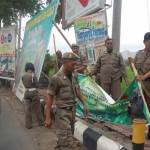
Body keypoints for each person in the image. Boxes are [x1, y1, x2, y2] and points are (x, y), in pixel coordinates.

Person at [45, 52, 88, 150]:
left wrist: (84, 104)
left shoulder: (73, 75)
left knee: (66, 139)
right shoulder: (56, 78)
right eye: (73, 64)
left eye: (75, 64)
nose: (75, 66)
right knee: (67, 143)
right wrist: (48, 117)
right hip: (62, 113)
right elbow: (50, 98)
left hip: (72, 111)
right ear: (65, 63)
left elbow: (78, 90)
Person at [134, 32, 150, 139]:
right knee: (140, 108)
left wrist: (143, 77)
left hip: (148, 86)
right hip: (140, 86)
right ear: (144, 42)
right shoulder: (139, 54)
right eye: (149, 41)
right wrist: (136, 75)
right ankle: (143, 129)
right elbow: (134, 66)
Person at [22, 62, 43, 129]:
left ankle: (28, 125)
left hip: (26, 93)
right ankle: (40, 122)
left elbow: (24, 84)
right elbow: (37, 85)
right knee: (37, 108)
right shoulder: (33, 75)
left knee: (27, 109)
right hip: (34, 93)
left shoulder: (23, 75)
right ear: (32, 68)